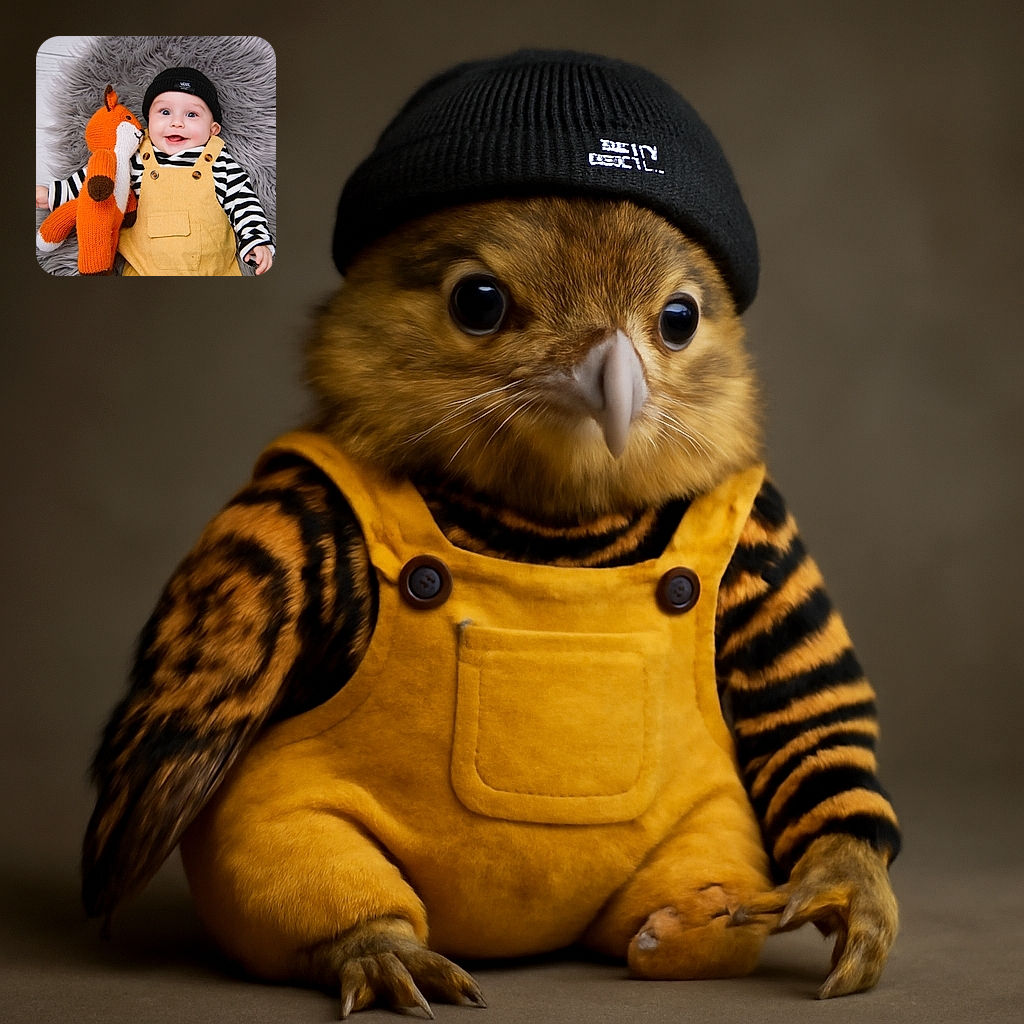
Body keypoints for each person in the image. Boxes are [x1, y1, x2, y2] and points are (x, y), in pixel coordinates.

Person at [36, 66, 274, 276]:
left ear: (212, 129)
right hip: (144, 271)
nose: (176, 122)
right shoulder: (138, 155)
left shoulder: (219, 162)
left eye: (191, 114)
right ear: (148, 120)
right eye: (165, 112)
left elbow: (243, 202)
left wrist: (256, 241)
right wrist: (53, 194)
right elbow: (99, 177)